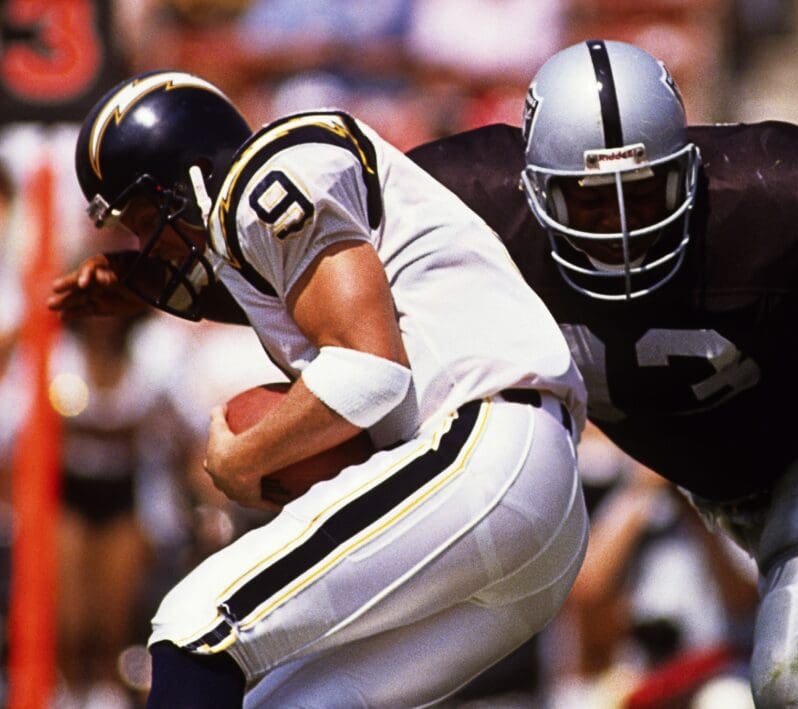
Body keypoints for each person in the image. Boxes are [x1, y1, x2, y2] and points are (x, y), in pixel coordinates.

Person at [405, 40, 798, 708]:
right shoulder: (464, 210)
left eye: (644, 192)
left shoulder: (759, 201)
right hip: (745, 495)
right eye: (591, 201)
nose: (621, 225)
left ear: (687, 172)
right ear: (535, 188)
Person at [47, 70, 588, 707]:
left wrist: (243, 459)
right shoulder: (263, 224)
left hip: (488, 449)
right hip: (525, 502)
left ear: (192, 177)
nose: (149, 246)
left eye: (146, 221)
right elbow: (296, 292)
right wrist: (142, 284)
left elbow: (369, 371)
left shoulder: (270, 175)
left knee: (197, 626)